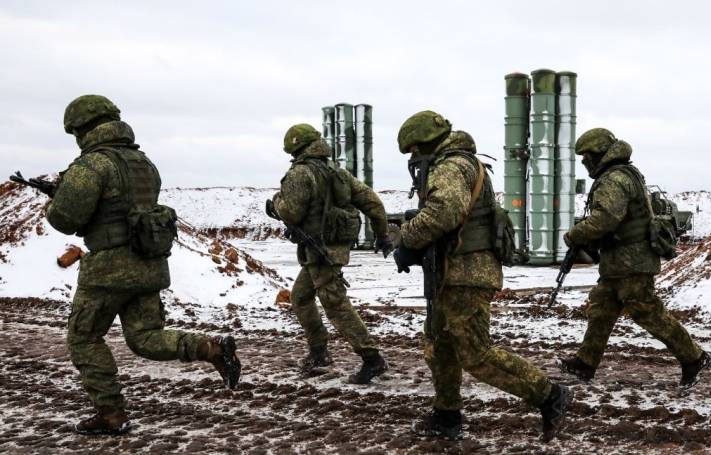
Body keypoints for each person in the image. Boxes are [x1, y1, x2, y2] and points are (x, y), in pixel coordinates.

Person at [47, 95, 241, 435]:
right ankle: (211, 349)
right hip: (148, 265)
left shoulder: (91, 165)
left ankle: (110, 414)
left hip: (108, 271)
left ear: (81, 128)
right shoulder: (144, 163)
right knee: (145, 337)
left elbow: (65, 219)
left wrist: (56, 198)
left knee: (85, 338)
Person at [393, 110, 572, 442]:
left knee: (476, 353)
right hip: (452, 274)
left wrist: (406, 237)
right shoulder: (458, 164)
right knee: (439, 345)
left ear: (425, 144)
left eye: (415, 150)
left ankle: (549, 395)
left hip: (466, 275)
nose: (414, 158)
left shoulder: (450, 166)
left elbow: (444, 212)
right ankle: (447, 415)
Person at [559, 128, 711, 387]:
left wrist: (575, 234)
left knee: (647, 312)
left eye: (586, 156)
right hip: (620, 262)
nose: (584, 161)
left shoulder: (614, 178)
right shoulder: (623, 174)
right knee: (602, 310)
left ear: (598, 154)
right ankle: (585, 363)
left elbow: (605, 219)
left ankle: (694, 358)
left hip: (632, 261)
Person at [269, 123, 392, 384]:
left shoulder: (300, 174)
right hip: (330, 250)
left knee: (336, 306)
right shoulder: (338, 173)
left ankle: (372, 359)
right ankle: (318, 352)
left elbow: (290, 212)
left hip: (320, 251)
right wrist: (381, 236)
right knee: (300, 297)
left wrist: (276, 202)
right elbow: (374, 204)